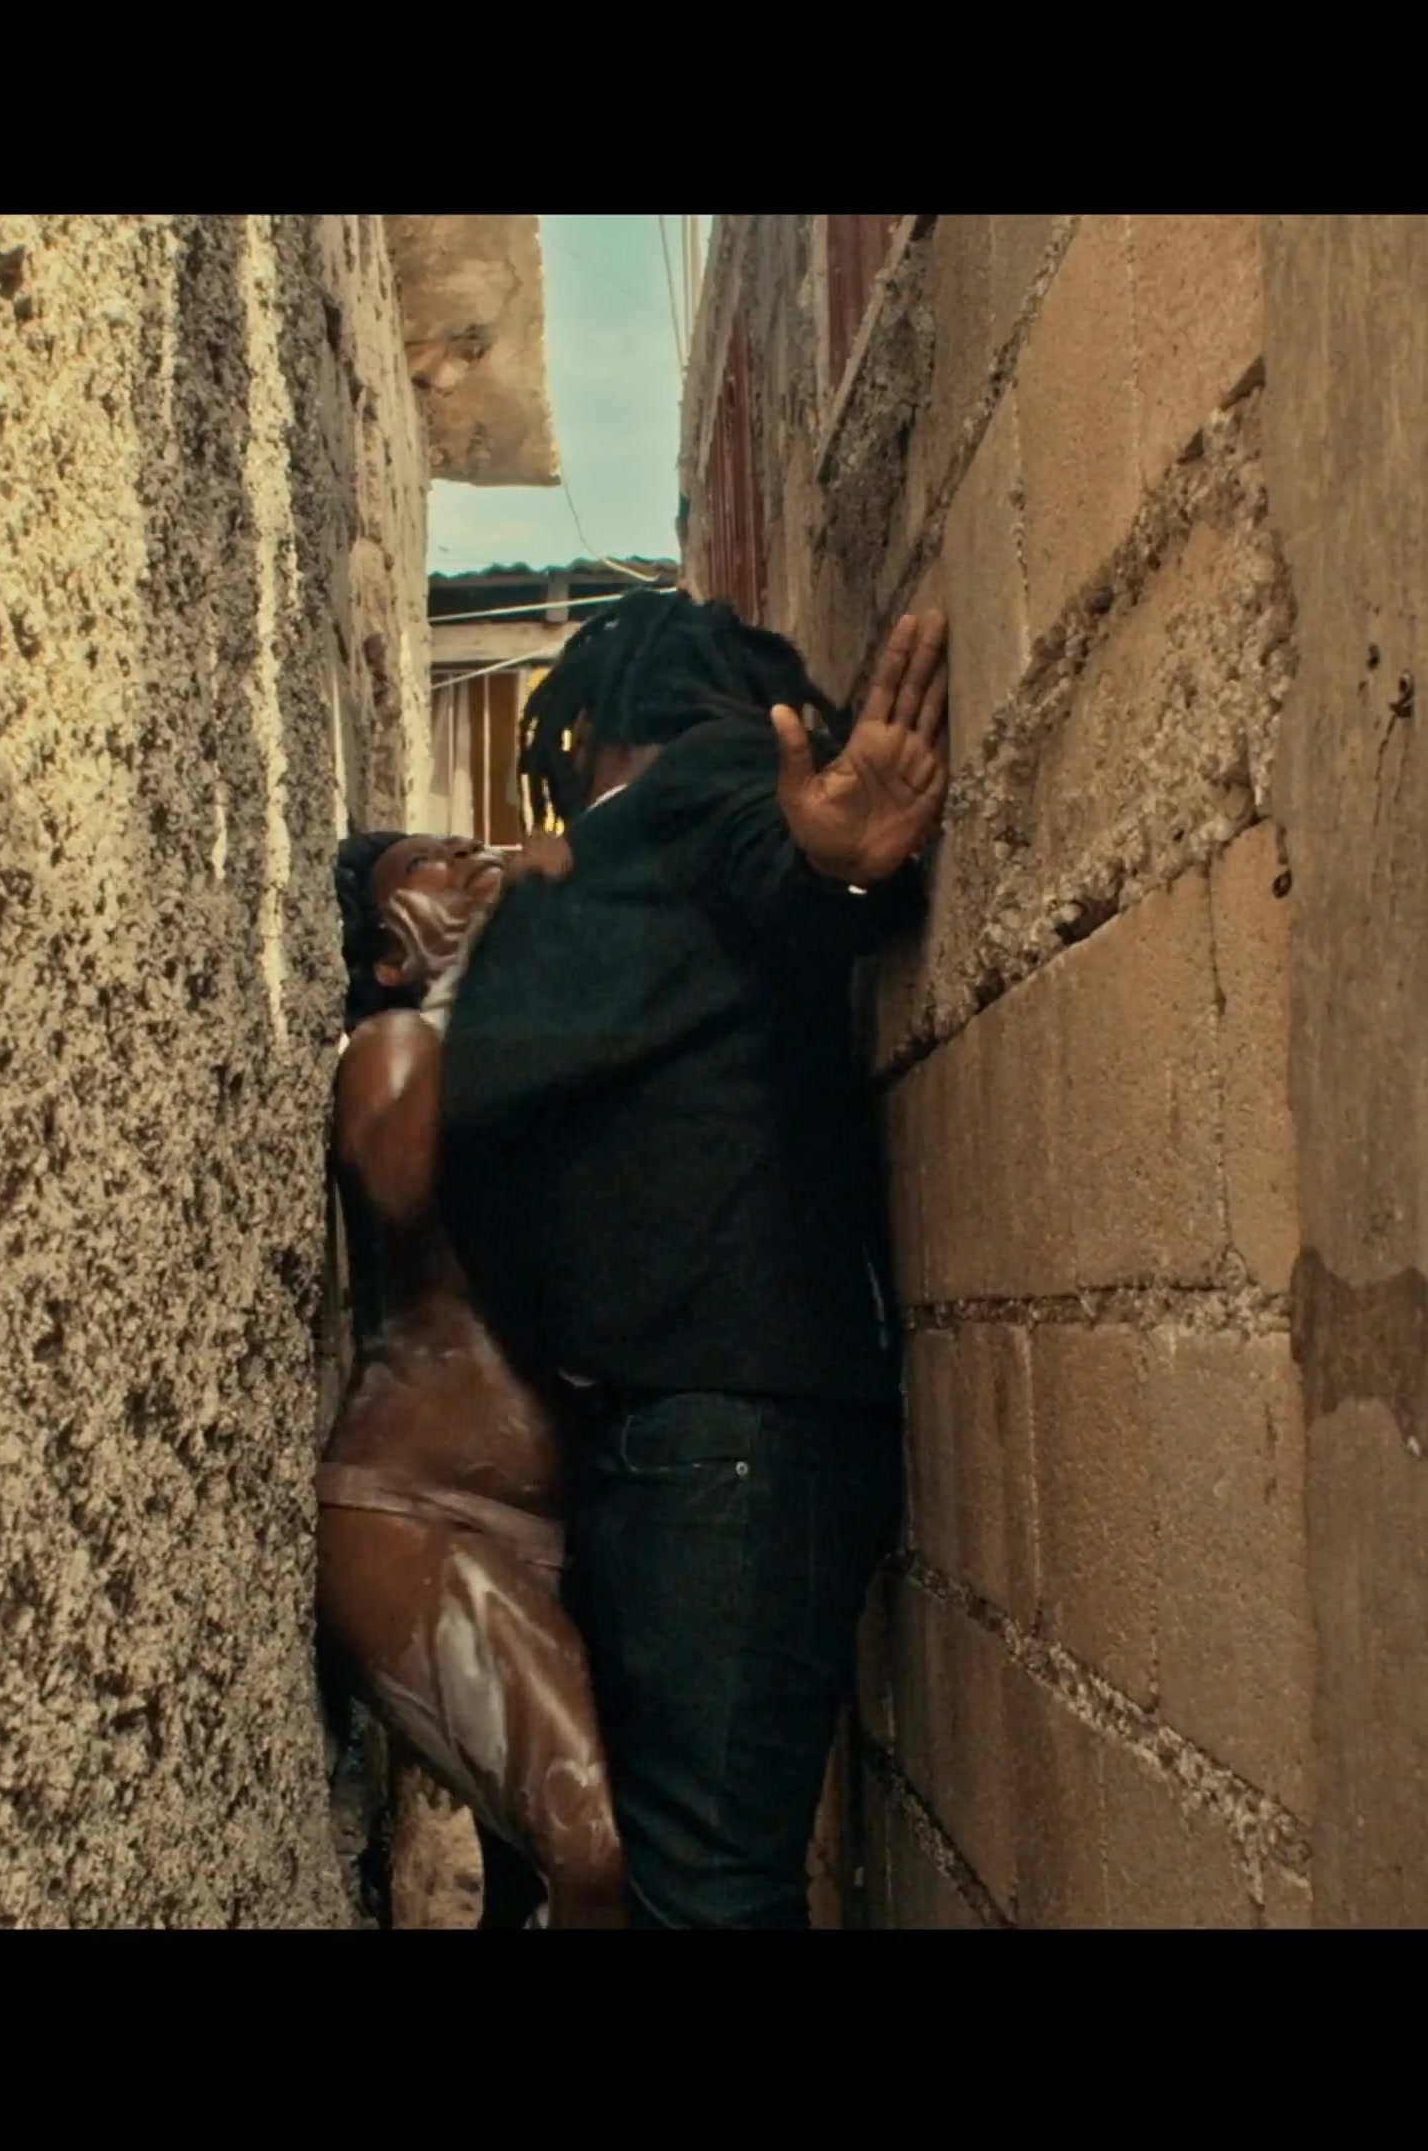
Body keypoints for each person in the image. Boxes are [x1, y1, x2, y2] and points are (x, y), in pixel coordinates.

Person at [433, 592, 950, 1928]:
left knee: (705, 1895)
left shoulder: (701, 779)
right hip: (685, 1436)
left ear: (603, 722)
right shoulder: (609, 872)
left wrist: (838, 868)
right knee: (670, 1881)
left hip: (729, 1436)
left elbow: (784, 865)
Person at [315, 827, 625, 1928]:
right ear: (390, 956)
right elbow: (401, 1185)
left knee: (536, 1883)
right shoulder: (392, 1043)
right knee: (597, 1848)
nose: (464, 856)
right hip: (421, 1518)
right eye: (426, 869)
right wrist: (472, 984)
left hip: (543, 1534)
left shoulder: (512, 1067)